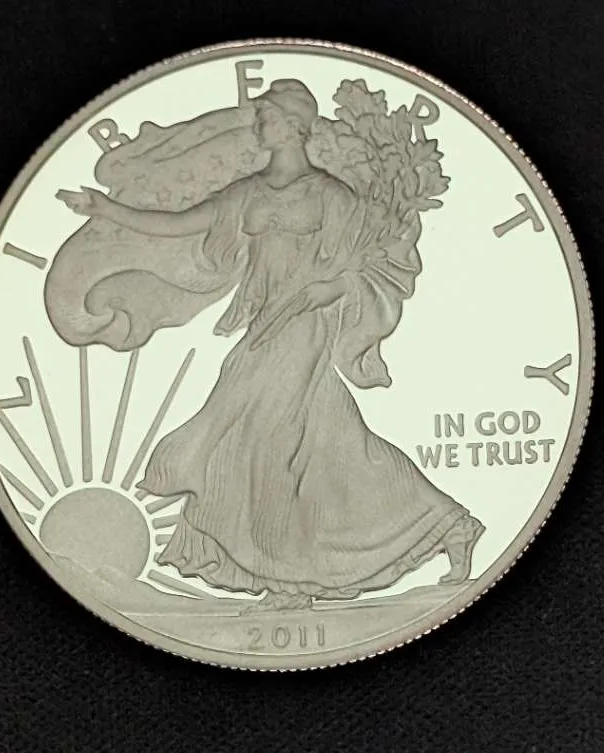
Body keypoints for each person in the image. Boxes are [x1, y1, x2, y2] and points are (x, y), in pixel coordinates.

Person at [58, 79, 484, 611]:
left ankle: (287, 581)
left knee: (265, 436)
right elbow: (179, 224)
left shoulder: (331, 196)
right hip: (264, 324)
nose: (257, 124)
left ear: (293, 125)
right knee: (338, 445)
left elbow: (370, 262)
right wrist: (106, 209)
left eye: (266, 116)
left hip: (305, 326)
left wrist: (333, 287)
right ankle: (449, 526)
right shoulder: (249, 193)